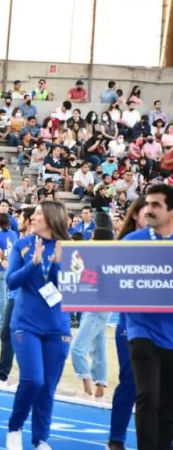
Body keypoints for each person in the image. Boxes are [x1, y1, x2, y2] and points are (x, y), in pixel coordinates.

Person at [5, 201, 72, 450]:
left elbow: (73, 290)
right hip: (27, 323)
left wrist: (56, 266)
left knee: (48, 386)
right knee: (33, 380)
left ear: (52, 218)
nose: (33, 217)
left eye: (39, 214)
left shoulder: (70, 248)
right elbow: (11, 281)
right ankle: (15, 427)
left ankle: (40, 439)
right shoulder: (22, 245)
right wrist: (32, 264)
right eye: (33, 213)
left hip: (57, 327)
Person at [121, 184, 173, 450]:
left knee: (168, 405)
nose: (148, 209)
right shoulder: (131, 242)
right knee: (147, 396)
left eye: (156, 205)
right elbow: (112, 282)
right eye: (147, 204)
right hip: (141, 331)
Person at [107, 195, 147, 450]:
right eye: (147, 210)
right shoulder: (126, 244)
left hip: (163, 327)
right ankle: (116, 440)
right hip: (130, 326)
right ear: (135, 214)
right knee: (131, 383)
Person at [0, 207, 35, 388]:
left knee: (18, 334)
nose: (18, 220)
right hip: (16, 293)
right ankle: (4, 374)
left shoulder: (29, 244)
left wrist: (0, 260)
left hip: (23, 296)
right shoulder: (20, 240)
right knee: (8, 333)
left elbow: (18, 270)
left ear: (29, 220)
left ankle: (8, 375)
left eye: (21, 217)